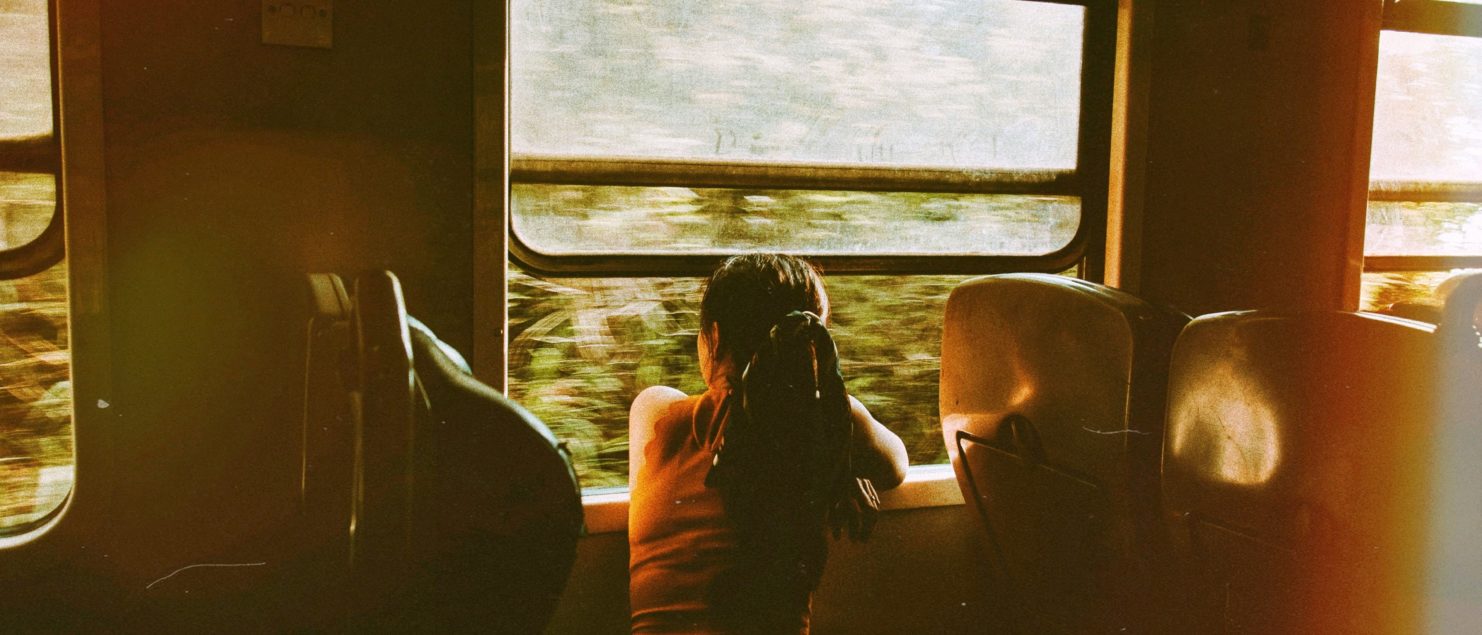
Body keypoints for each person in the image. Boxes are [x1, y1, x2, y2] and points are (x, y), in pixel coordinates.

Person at [627, 253, 909, 634]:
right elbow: (896, 464)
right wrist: (841, 456)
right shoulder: (828, 430)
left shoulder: (654, 411)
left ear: (712, 337)